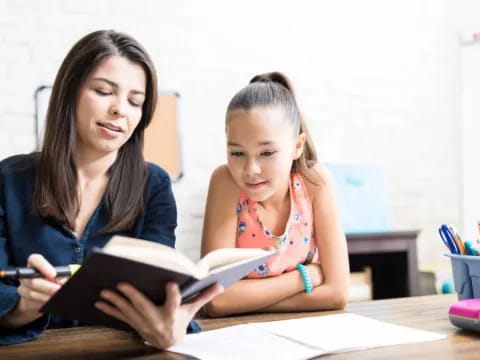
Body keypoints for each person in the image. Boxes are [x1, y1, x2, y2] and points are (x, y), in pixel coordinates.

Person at [0, 30, 222, 348]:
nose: (121, 109)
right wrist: (23, 305)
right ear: (70, 92)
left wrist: (168, 328)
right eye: (105, 91)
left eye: (135, 101)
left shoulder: (154, 186)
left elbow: (158, 289)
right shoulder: (9, 178)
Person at [201, 72, 349, 317]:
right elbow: (215, 301)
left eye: (267, 153)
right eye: (237, 153)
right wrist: (305, 277)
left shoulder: (316, 184)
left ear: (296, 147)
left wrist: (244, 300)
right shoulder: (225, 181)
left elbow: (338, 294)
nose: (251, 170)